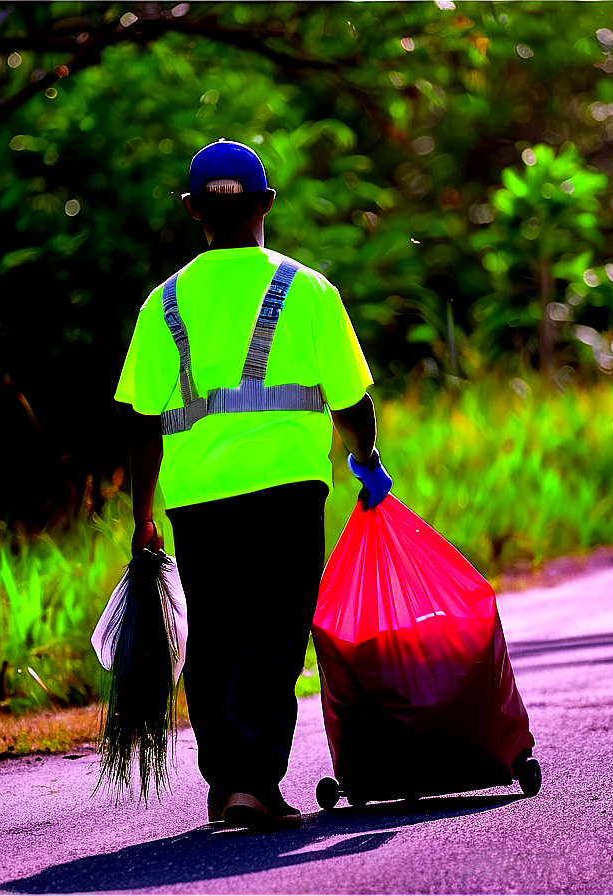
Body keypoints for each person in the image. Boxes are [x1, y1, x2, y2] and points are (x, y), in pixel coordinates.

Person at [114, 138, 392, 830]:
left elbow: (142, 424)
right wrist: (366, 459)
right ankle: (255, 785)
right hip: (287, 492)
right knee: (272, 634)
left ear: (191, 211)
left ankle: (227, 785)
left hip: (197, 499)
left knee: (214, 636)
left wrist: (142, 513)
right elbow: (351, 402)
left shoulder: (163, 304)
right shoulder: (305, 289)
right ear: (267, 203)